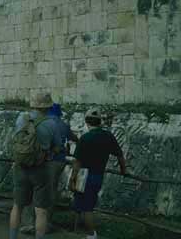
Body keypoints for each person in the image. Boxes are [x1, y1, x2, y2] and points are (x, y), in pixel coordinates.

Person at [9, 93, 61, 239]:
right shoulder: (52, 123)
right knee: (41, 211)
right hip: (41, 168)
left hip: (20, 166)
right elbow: (58, 147)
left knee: (17, 206)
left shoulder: (22, 119)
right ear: (48, 106)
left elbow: (16, 139)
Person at [69, 108, 127, 239]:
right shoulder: (108, 136)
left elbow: (77, 162)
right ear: (99, 121)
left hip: (83, 174)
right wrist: (124, 170)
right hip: (97, 175)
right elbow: (120, 155)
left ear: (86, 121)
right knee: (87, 203)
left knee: (83, 205)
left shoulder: (85, 138)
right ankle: (78, 229)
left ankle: (91, 234)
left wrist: (72, 178)